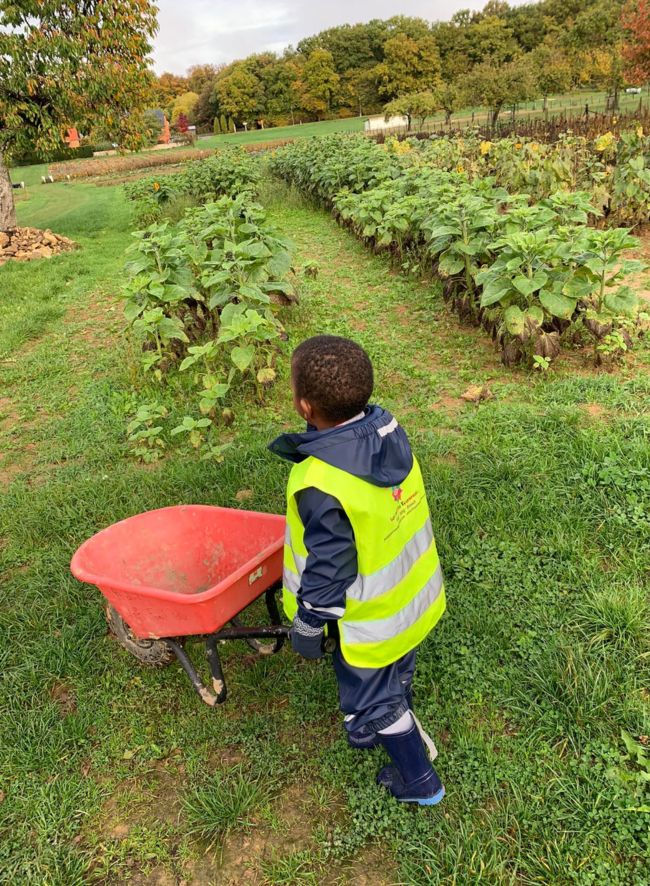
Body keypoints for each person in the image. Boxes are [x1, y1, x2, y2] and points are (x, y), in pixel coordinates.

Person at [269, 335, 447, 806]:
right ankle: (391, 703)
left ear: (304, 406)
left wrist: (309, 621)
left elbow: (331, 567)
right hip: (413, 600)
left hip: (370, 622)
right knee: (395, 668)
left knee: (373, 696)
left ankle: (417, 780)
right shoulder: (388, 435)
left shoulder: (321, 482)